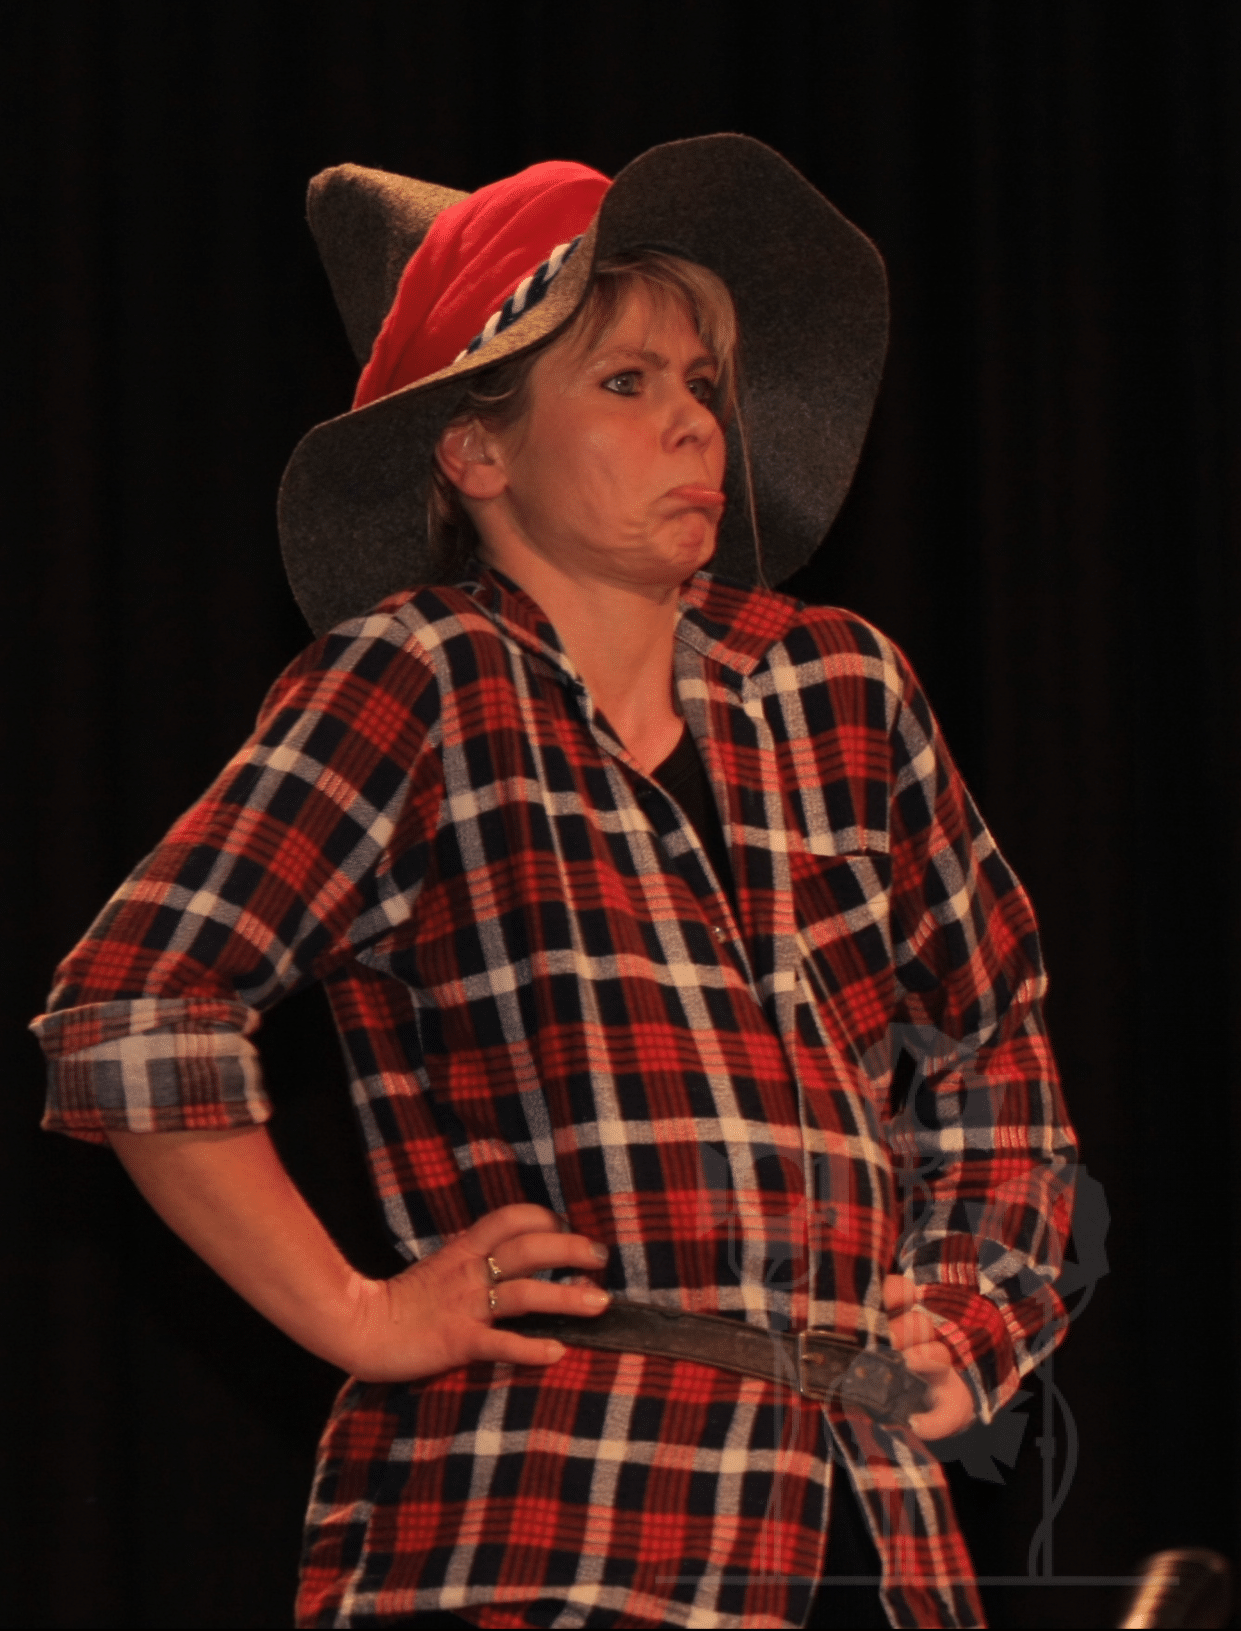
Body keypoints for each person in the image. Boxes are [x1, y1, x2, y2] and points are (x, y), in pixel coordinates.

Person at [32, 136, 1077, 1630]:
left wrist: (970, 1320)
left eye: (703, 382)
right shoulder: (419, 685)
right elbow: (134, 1003)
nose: (695, 422)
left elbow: (993, 1045)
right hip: (558, 1524)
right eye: (627, 382)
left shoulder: (841, 686)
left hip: (863, 1529)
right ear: (477, 453)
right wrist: (360, 1312)